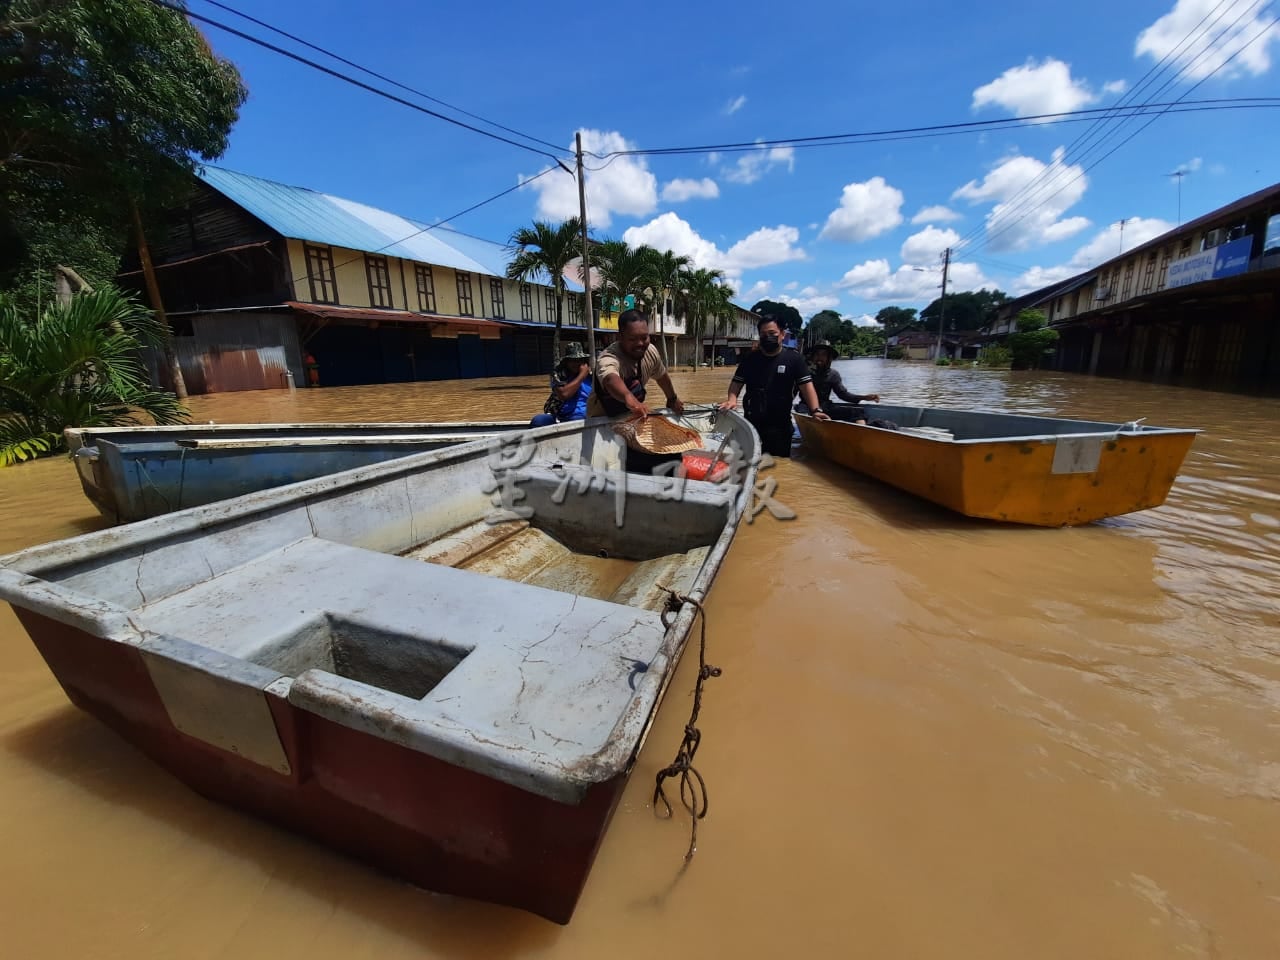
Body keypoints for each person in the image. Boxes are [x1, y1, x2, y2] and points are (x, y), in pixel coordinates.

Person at [718, 315, 830, 457]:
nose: (767, 337)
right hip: (751, 425)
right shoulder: (750, 359)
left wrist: (815, 410)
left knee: (778, 468)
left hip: (780, 426)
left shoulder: (794, 359)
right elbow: (736, 383)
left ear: (782, 334)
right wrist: (732, 400)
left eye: (772, 333)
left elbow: (807, 387)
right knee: (749, 463)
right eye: (763, 334)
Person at [586, 310, 685, 419]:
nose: (640, 344)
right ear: (620, 337)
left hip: (632, 415)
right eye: (632, 339)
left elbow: (662, 377)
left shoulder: (650, 351)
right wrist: (628, 397)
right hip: (601, 420)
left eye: (644, 338)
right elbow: (610, 380)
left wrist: (672, 399)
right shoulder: (608, 358)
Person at [806, 342, 879, 422]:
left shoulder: (833, 374)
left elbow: (843, 395)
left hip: (825, 407)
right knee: (805, 413)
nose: (819, 357)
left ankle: (861, 433)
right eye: (817, 354)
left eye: (823, 354)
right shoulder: (804, 372)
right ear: (812, 356)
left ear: (828, 358)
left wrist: (864, 397)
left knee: (858, 413)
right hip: (806, 407)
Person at [529, 343, 592, 427]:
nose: (575, 364)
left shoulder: (592, 375)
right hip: (566, 417)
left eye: (579, 360)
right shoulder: (559, 374)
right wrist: (581, 376)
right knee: (538, 421)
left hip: (589, 416)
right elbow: (564, 394)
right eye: (572, 360)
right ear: (566, 362)